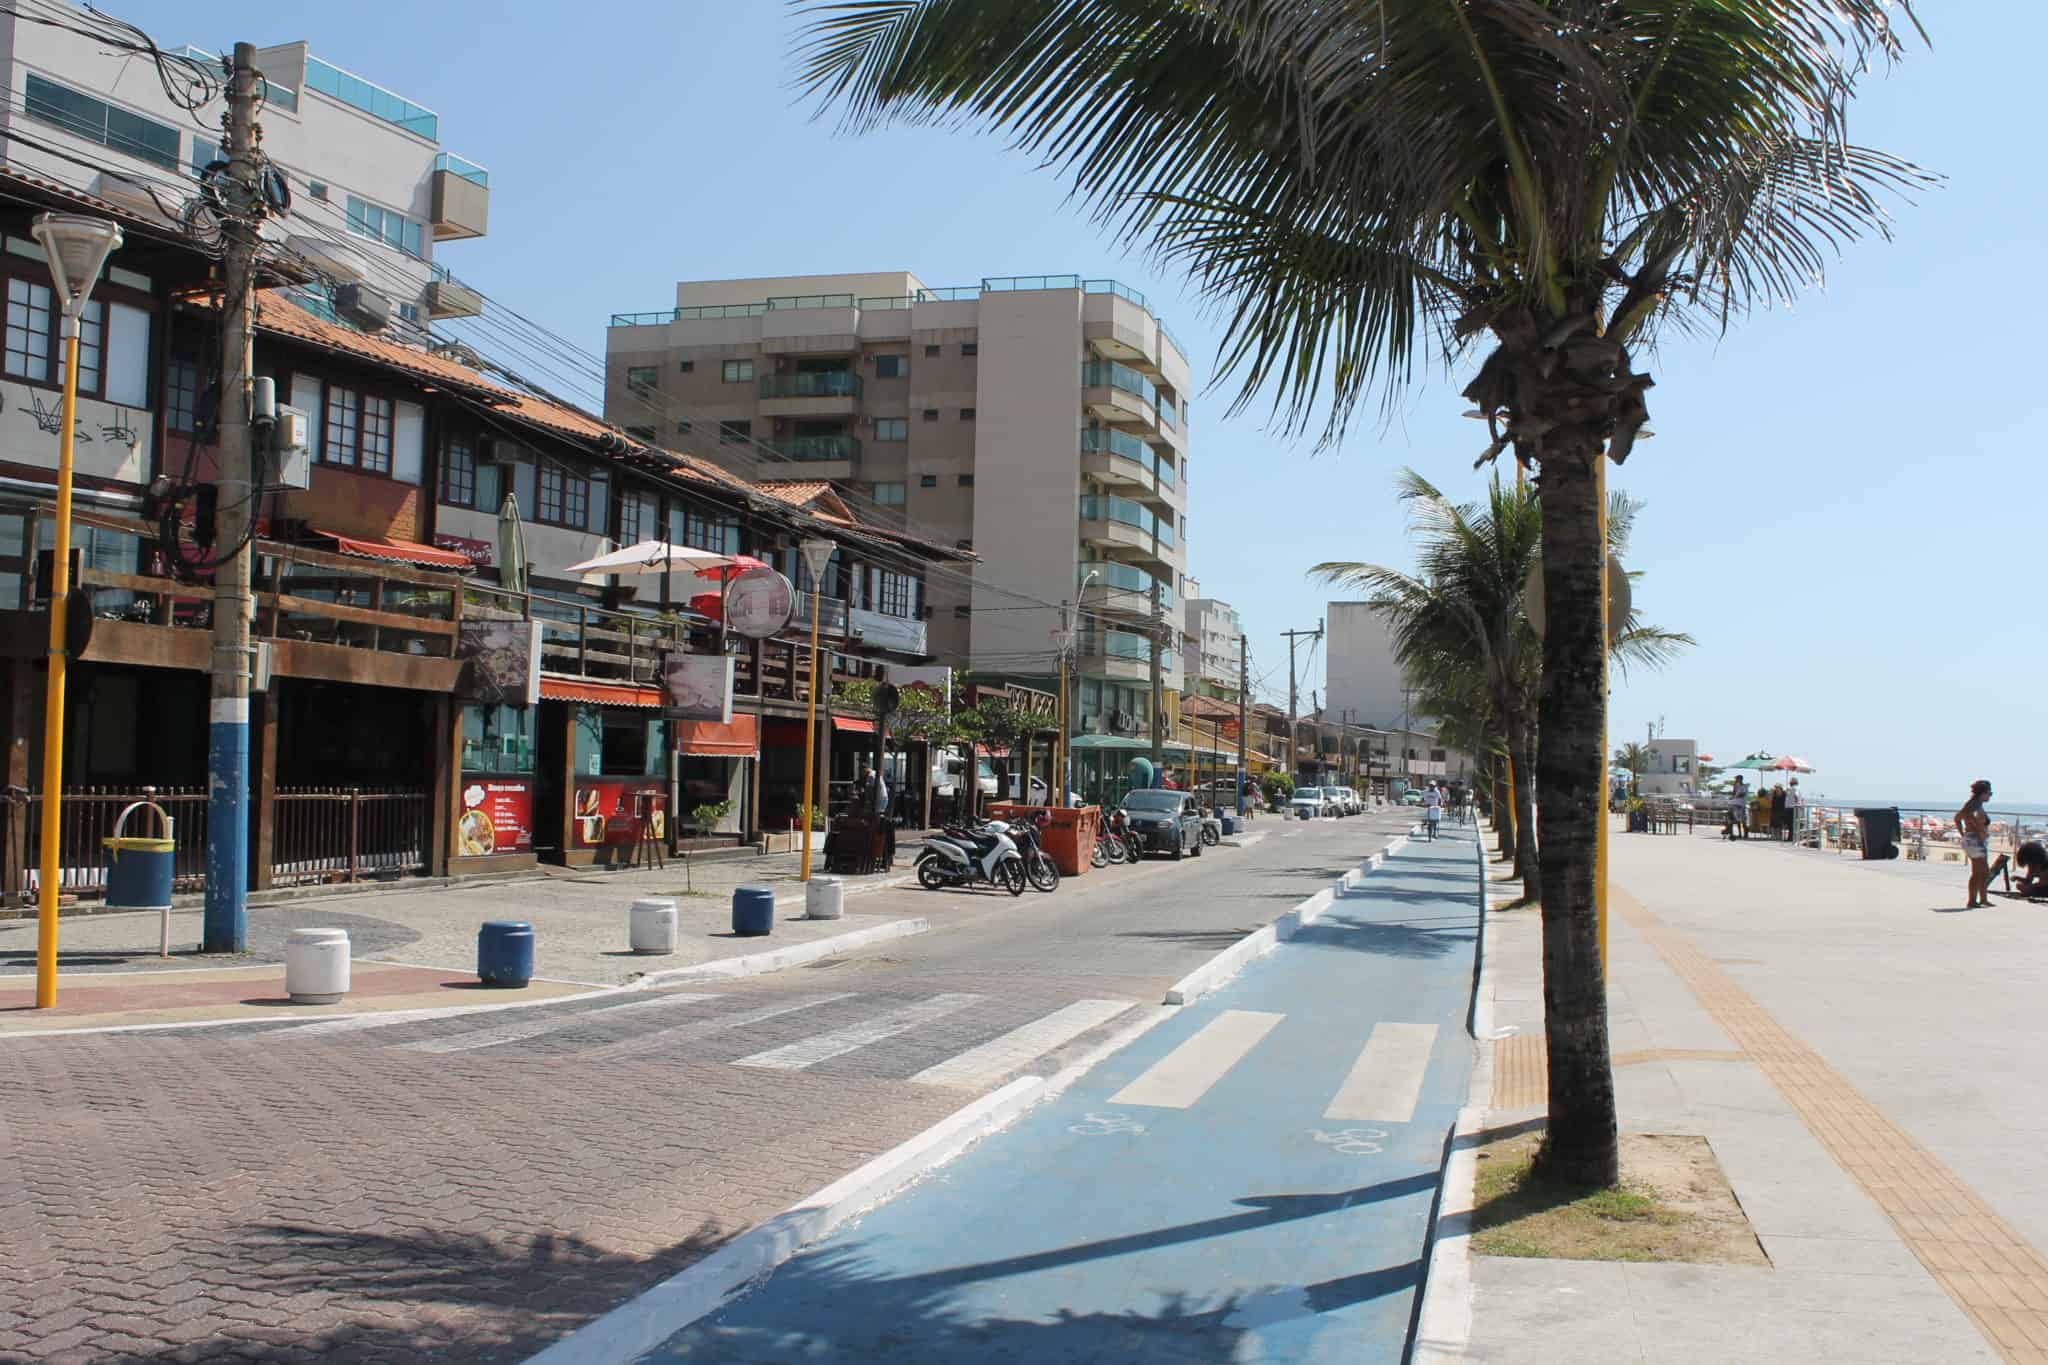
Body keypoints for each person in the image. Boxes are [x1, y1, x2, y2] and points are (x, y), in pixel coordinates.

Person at [1954, 779, 1994, 909]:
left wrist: (1965, 832)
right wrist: (1976, 830)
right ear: (1982, 793)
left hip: (1975, 840)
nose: (1990, 795)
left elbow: (1958, 818)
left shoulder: (1975, 804)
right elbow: (1962, 817)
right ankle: (1972, 900)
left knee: (1982, 872)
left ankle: (1982, 899)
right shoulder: (1974, 805)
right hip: (1975, 841)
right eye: (1989, 793)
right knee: (1980, 872)